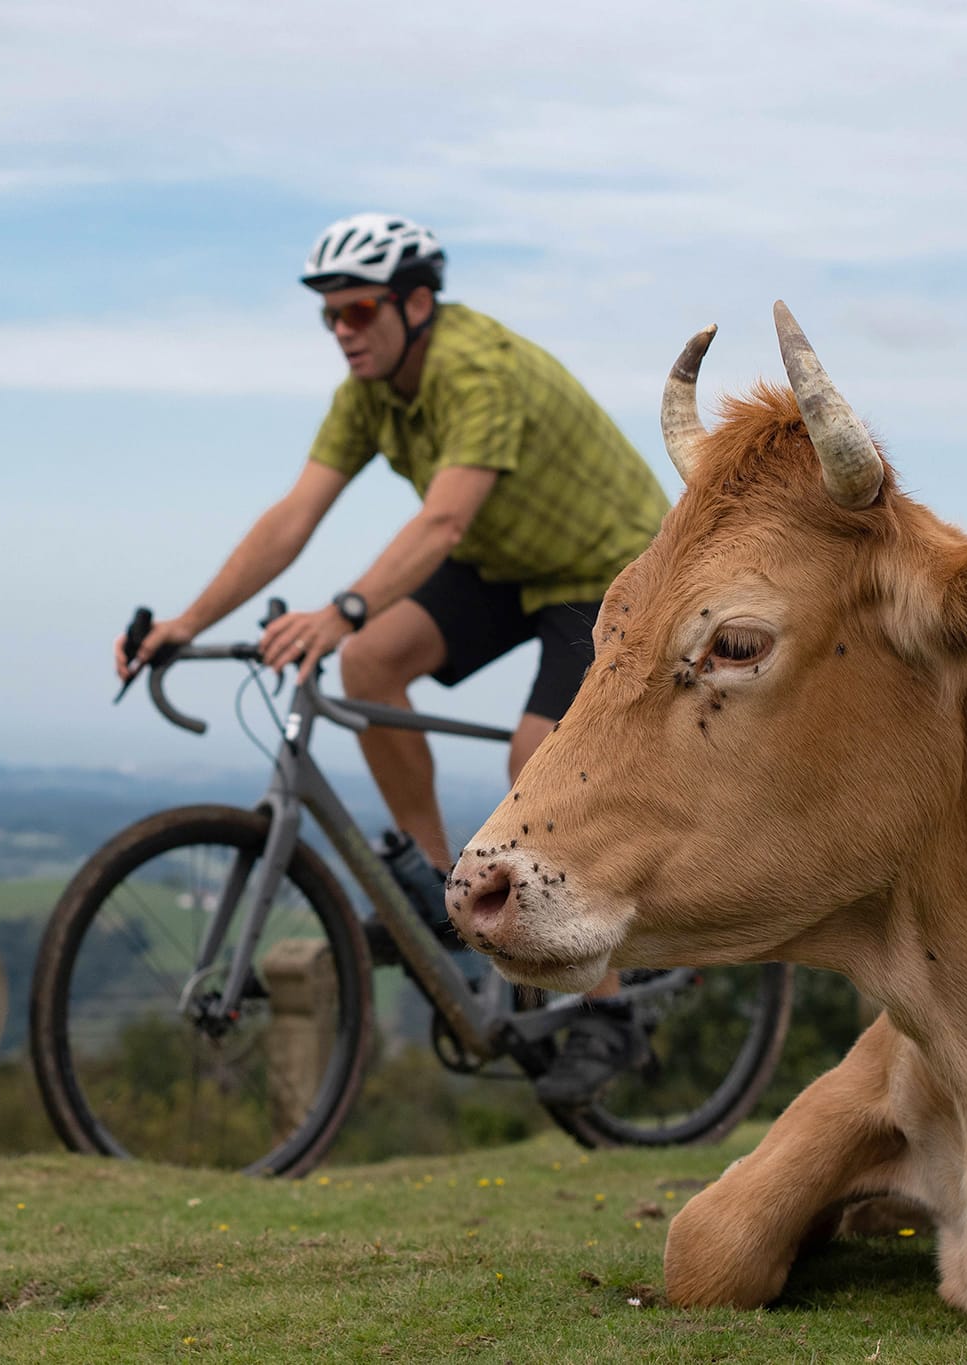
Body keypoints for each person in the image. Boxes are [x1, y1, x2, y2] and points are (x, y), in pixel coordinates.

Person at [113, 213, 669, 1107]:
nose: (344, 331)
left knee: (536, 756)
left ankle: (608, 1008)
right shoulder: (369, 390)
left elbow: (443, 521)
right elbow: (294, 515)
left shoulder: (475, 368)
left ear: (416, 303)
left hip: (607, 570)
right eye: (330, 316)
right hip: (505, 562)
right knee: (370, 663)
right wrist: (185, 620)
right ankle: (438, 886)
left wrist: (343, 605)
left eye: (360, 310)